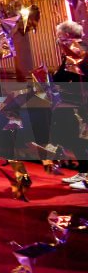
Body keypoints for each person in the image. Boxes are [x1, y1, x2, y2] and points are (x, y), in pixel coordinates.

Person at [52, 21, 88, 190]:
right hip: (75, 102)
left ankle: (86, 176)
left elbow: (66, 77)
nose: (58, 42)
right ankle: (83, 171)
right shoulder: (72, 52)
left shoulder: (79, 52)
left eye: (60, 38)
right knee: (78, 139)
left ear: (68, 37)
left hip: (83, 102)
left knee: (83, 140)